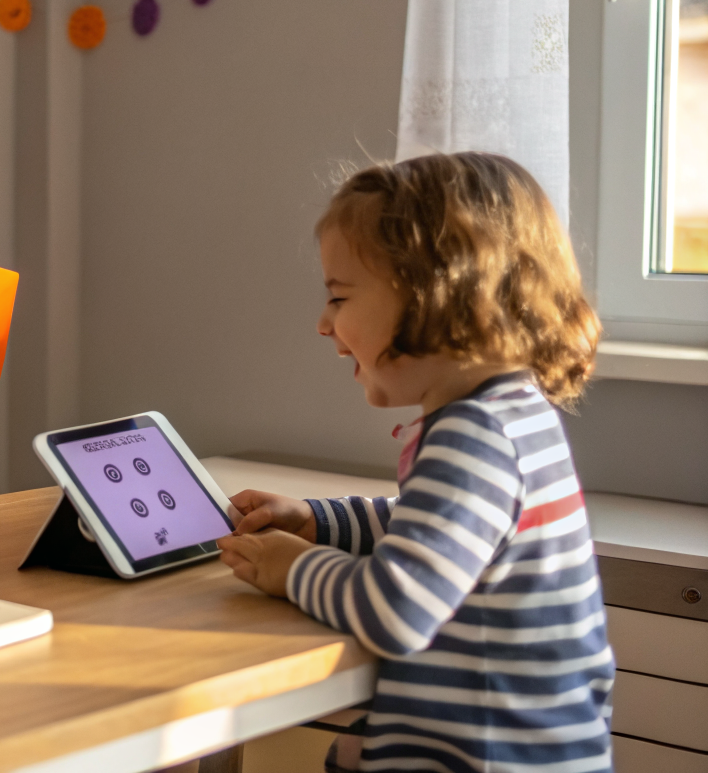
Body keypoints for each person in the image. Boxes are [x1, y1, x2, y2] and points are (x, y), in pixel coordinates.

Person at [217, 153, 613, 772]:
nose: (324, 324)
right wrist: (320, 522)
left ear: (436, 295)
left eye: (339, 296)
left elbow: (396, 609)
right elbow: (430, 525)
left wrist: (292, 568)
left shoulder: (473, 436)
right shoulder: (511, 411)